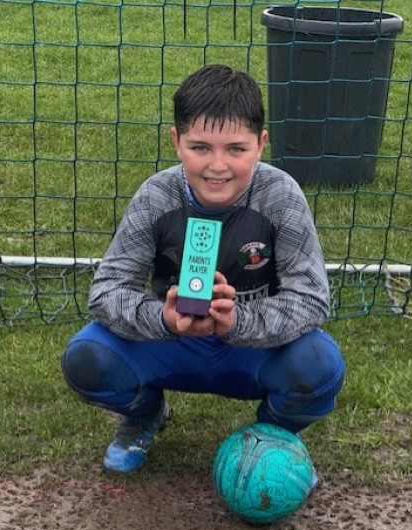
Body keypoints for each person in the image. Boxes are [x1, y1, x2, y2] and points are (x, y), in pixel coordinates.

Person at [61, 64, 345, 474]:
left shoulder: (281, 196)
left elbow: (312, 299)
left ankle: (270, 441)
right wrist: (163, 317)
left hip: (252, 350)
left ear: (261, 144)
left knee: (319, 365)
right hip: (172, 343)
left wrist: (238, 321)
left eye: (236, 149)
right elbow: (106, 290)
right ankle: (145, 413)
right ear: (177, 142)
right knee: (86, 359)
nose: (217, 165)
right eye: (200, 147)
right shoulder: (156, 196)